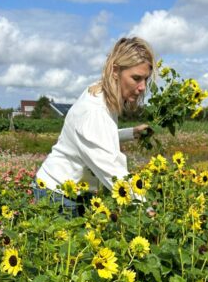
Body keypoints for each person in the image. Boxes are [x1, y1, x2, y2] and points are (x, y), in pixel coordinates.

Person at [33, 36, 156, 217]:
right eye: (136, 78)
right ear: (115, 70)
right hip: (58, 195)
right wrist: (146, 209)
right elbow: (112, 170)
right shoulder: (95, 111)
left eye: (145, 79)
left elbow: (99, 134)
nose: (142, 87)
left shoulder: (101, 92)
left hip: (73, 191)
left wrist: (131, 133)